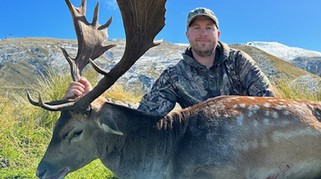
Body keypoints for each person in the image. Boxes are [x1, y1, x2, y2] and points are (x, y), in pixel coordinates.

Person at [64, 7, 275, 117]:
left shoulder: (239, 61)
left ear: (217, 33)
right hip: (206, 144)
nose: (203, 33)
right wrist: (96, 100)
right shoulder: (174, 76)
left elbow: (269, 102)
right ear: (187, 35)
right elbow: (144, 111)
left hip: (248, 134)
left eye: (209, 28)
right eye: (196, 28)